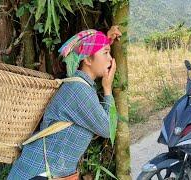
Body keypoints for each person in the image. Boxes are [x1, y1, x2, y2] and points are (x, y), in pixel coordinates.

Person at [7, 27, 122, 179]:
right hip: (38, 174)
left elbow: (95, 51)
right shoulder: (79, 90)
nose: (111, 59)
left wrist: (105, 40)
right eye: (106, 53)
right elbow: (108, 129)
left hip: (43, 172)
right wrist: (107, 89)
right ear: (87, 59)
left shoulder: (80, 86)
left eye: (109, 52)